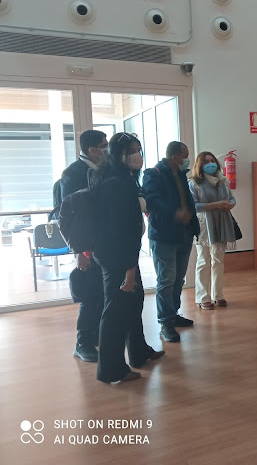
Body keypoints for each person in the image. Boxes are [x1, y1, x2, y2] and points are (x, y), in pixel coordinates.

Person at [91, 132, 164, 383]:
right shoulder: (117, 184)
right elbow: (123, 230)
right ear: (117, 154)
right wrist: (130, 269)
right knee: (116, 313)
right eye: (131, 151)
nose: (137, 155)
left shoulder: (120, 178)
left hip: (117, 255)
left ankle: (138, 353)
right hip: (118, 258)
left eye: (138, 149)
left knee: (131, 306)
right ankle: (111, 369)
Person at [143, 141, 200, 343]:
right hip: (164, 236)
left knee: (178, 279)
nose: (188, 159)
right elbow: (152, 200)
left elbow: (188, 203)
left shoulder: (181, 175)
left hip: (184, 235)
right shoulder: (153, 174)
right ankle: (165, 323)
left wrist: (193, 226)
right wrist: (175, 214)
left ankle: (173, 314)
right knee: (166, 280)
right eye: (185, 155)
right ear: (175, 157)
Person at [60, 129, 108, 362]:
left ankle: (97, 335)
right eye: (103, 145)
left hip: (106, 241)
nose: (106, 149)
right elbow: (71, 217)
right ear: (92, 149)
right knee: (90, 294)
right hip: (87, 243)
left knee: (104, 292)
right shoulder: (72, 174)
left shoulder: (104, 169)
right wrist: (79, 252)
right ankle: (83, 342)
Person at [188, 151, 237, 310]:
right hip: (203, 225)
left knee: (218, 260)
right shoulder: (194, 183)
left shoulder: (223, 181)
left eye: (212, 161)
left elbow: (232, 198)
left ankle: (218, 295)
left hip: (222, 222)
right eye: (206, 162)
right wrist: (216, 205)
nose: (210, 164)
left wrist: (230, 204)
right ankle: (203, 297)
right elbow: (194, 206)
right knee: (203, 260)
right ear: (200, 165)